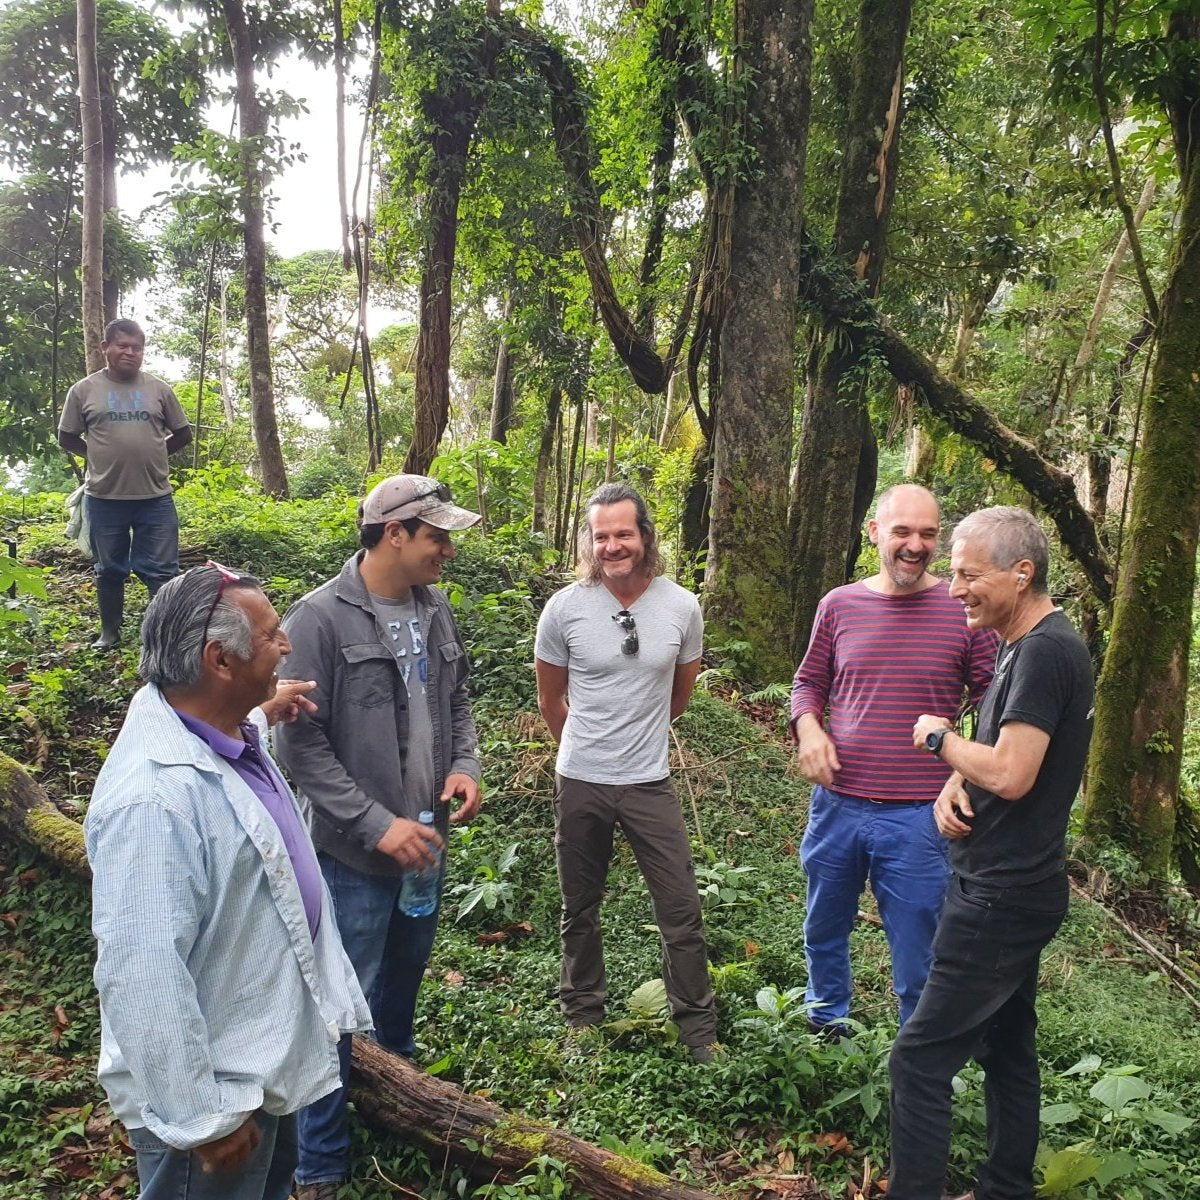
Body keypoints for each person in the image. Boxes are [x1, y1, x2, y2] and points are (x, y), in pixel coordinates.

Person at [84, 565, 371, 1200]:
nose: (287, 646)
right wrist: (201, 1121)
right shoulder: (154, 803)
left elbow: (230, 760)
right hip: (216, 1095)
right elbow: (141, 970)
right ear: (219, 659)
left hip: (259, 1059)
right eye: (272, 637)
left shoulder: (218, 730)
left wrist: (265, 708)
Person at [275, 474, 483, 1200]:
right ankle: (321, 1162)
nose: (448, 550)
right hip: (349, 858)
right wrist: (374, 823)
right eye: (438, 536)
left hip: (425, 846)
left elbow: (456, 700)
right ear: (394, 533)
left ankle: (396, 1094)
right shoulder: (318, 621)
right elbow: (299, 751)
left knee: (399, 987)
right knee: (337, 1006)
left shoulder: (435, 612)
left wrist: (463, 766)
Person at [888, 506, 1094, 1200]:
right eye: (953, 574)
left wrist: (937, 738)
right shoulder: (1022, 640)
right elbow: (1007, 752)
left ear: (1021, 573)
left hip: (1000, 897)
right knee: (1008, 1048)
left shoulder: (1043, 651)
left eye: (969, 575)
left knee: (918, 1061)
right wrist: (956, 777)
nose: (954, 589)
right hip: (1009, 882)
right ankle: (1006, 1187)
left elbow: (1012, 772)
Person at [791, 484, 998, 1034]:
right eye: (902, 532)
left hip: (920, 818)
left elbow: (990, 703)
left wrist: (961, 773)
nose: (915, 545)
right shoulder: (839, 605)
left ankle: (920, 1064)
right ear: (875, 533)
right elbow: (807, 683)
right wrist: (809, 728)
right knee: (824, 929)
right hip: (837, 806)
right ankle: (825, 1028)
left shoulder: (963, 611)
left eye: (928, 534)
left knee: (919, 954)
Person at [534, 482, 719, 1062]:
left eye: (623, 533)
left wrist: (635, 745)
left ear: (644, 536)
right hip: (582, 780)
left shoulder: (681, 606)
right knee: (579, 905)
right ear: (588, 541)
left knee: (681, 910)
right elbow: (549, 699)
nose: (613, 545)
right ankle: (582, 1017)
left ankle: (698, 1032)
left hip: (649, 782)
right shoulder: (564, 609)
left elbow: (679, 695)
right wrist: (587, 752)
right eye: (601, 535)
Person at [57, 319, 193, 649]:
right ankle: (109, 633)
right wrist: (97, 456)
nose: (130, 352)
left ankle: (162, 639)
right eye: (122, 345)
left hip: (155, 497)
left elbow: (183, 433)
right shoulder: (84, 390)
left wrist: (157, 454)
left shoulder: (158, 389)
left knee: (162, 572)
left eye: (137, 347)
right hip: (104, 498)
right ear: (105, 348)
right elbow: (67, 436)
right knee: (109, 569)